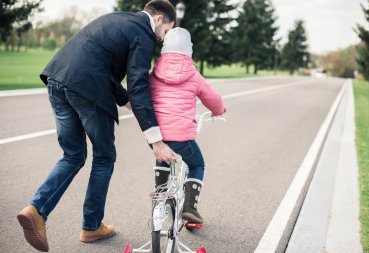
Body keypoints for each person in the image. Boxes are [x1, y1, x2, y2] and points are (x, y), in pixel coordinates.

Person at [16, 1, 177, 252]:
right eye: (166, 31)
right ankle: (91, 226)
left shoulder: (117, 20)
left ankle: (35, 209)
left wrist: (131, 106)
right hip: (86, 88)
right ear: (158, 19)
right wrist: (156, 141)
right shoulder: (144, 34)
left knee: (72, 155)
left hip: (57, 79)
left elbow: (100, 67)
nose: (162, 38)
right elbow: (137, 84)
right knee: (103, 156)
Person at [149, 27, 226, 224]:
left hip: (156, 135)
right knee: (197, 164)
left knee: (162, 156)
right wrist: (219, 111)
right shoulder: (193, 75)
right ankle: (190, 207)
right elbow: (213, 99)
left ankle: (160, 196)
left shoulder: (154, 73)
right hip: (182, 136)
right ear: (189, 51)